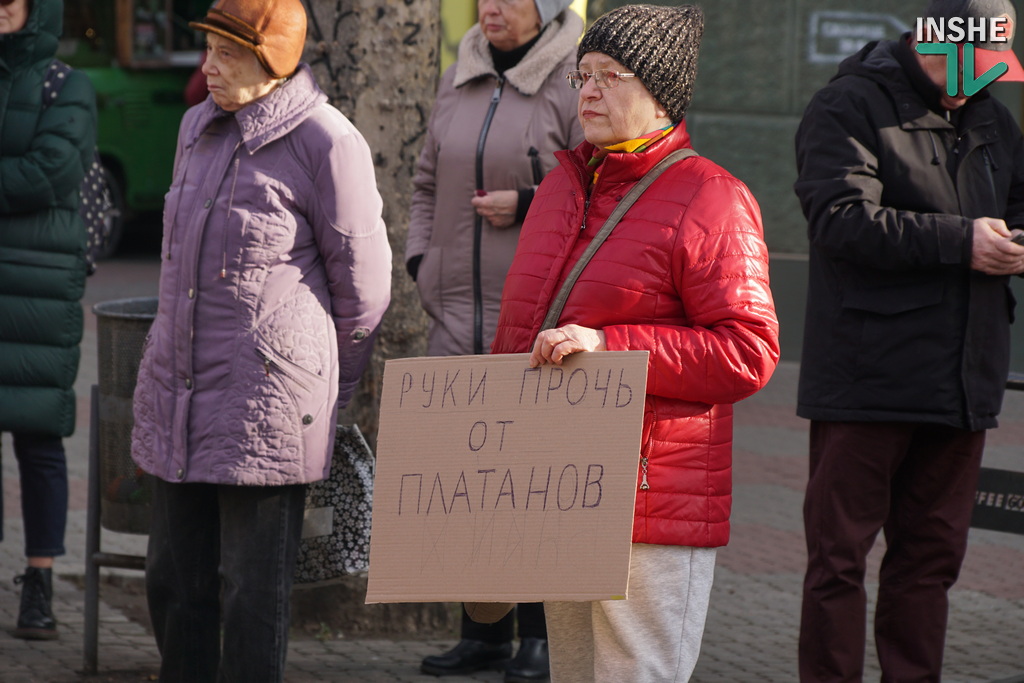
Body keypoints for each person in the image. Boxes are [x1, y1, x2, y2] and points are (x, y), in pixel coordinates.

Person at [490, 5, 780, 682]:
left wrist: (607, 345)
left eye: (609, 76)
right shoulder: (562, 185)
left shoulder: (713, 197)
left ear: (660, 92)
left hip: (650, 497)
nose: (587, 91)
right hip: (556, 479)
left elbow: (749, 350)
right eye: (582, 75)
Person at [129, 0, 392, 679]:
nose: (208, 66)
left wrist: (329, 389)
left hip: (266, 408)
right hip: (181, 393)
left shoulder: (329, 142)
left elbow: (364, 291)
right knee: (172, 582)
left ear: (274, 60)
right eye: (208, 48)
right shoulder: (195, 126)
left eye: (228, 53)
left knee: (251, 594)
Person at [793, 0, 1024, 680]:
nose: (966, 83)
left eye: (984, 70)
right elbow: (839, 219)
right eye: (955, 66)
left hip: (962, 382)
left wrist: (1015, 240)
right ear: (925, 40)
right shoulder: (847, 105)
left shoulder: (993, 116)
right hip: (868, 381)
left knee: (930, 564)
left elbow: (1018, 200)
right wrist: (962, 242)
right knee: (838, 560)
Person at [407, 0, 584, 679]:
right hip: (453, 314)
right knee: (465, 483)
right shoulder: (460, 75)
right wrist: (422, 265)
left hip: (534, 323)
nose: (491, 8)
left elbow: (591, 187)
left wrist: (530, 202)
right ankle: (481, 633)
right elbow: (425, 183)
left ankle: (539, 637)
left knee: (531, 484)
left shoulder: (574, 80)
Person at [0, 0, 97, 641]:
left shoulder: (68, 85)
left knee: (38, 438)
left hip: (36, 283)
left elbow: (51, 171)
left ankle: (39, 583)